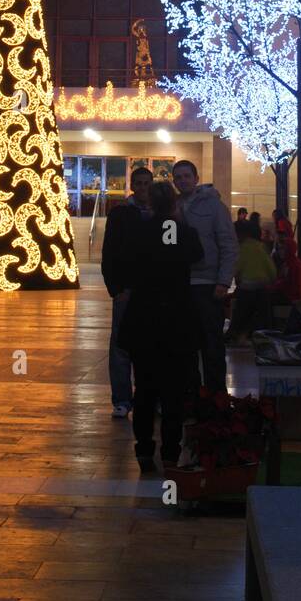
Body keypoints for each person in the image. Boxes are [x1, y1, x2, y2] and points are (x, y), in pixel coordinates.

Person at [116, 180, 202, 472]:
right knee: (173, 392)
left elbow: (128, 262)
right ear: (175, 203)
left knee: (145, 389)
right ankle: (169, 451)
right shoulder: (183, 232)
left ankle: (143, 450)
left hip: (144, 318)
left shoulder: (140, 232)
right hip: (176, 319)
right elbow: (196, 255)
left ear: (150, 203)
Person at [172, 159, 238, 392]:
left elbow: (228, 244)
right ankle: (192, 396)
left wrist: (223, 280)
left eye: (186, 176)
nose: (182, 181)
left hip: (208, 284)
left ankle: (215, 398)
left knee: (212, 345)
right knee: (187, 345)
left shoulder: (214, 206)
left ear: (196, 178)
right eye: (178, 177)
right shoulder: (174, 206)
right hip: (182, 285)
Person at [100, 165, 154, 418]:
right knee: (121, 345)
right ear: (133, 186)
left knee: (152, 345)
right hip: (127, 290)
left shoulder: (162, 215)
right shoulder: (120, 215)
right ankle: (122, 398)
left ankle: (149, 396)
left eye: (147, 183)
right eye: (139, 183)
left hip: (153, 290)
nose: (143, 188)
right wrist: (115, 288)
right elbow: (109, 252)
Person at [226, 224, 278, 344]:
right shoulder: (261, 247)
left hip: (246, 286)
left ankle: (235, 334)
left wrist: (233, 278)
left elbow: (237, 267)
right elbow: (271, 268)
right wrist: (271, 279)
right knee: (263, 314)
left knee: (241, 312)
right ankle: (264, 337)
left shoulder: (241, 248)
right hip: (262, 287)